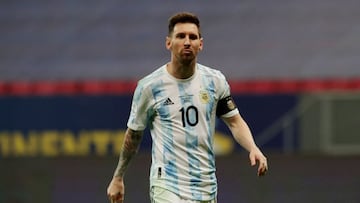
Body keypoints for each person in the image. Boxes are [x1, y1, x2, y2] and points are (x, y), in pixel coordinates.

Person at [107, 12, 268, 203]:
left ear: (201, 44)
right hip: (166, 184)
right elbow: (133, 136)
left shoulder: (214, 81)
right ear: (169, 43)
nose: (187, 42)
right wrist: (118, 177)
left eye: (192, 37)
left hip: (205, 185)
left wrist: (253, 147)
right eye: (181, 36)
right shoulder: (150, 87)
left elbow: (234, 122)